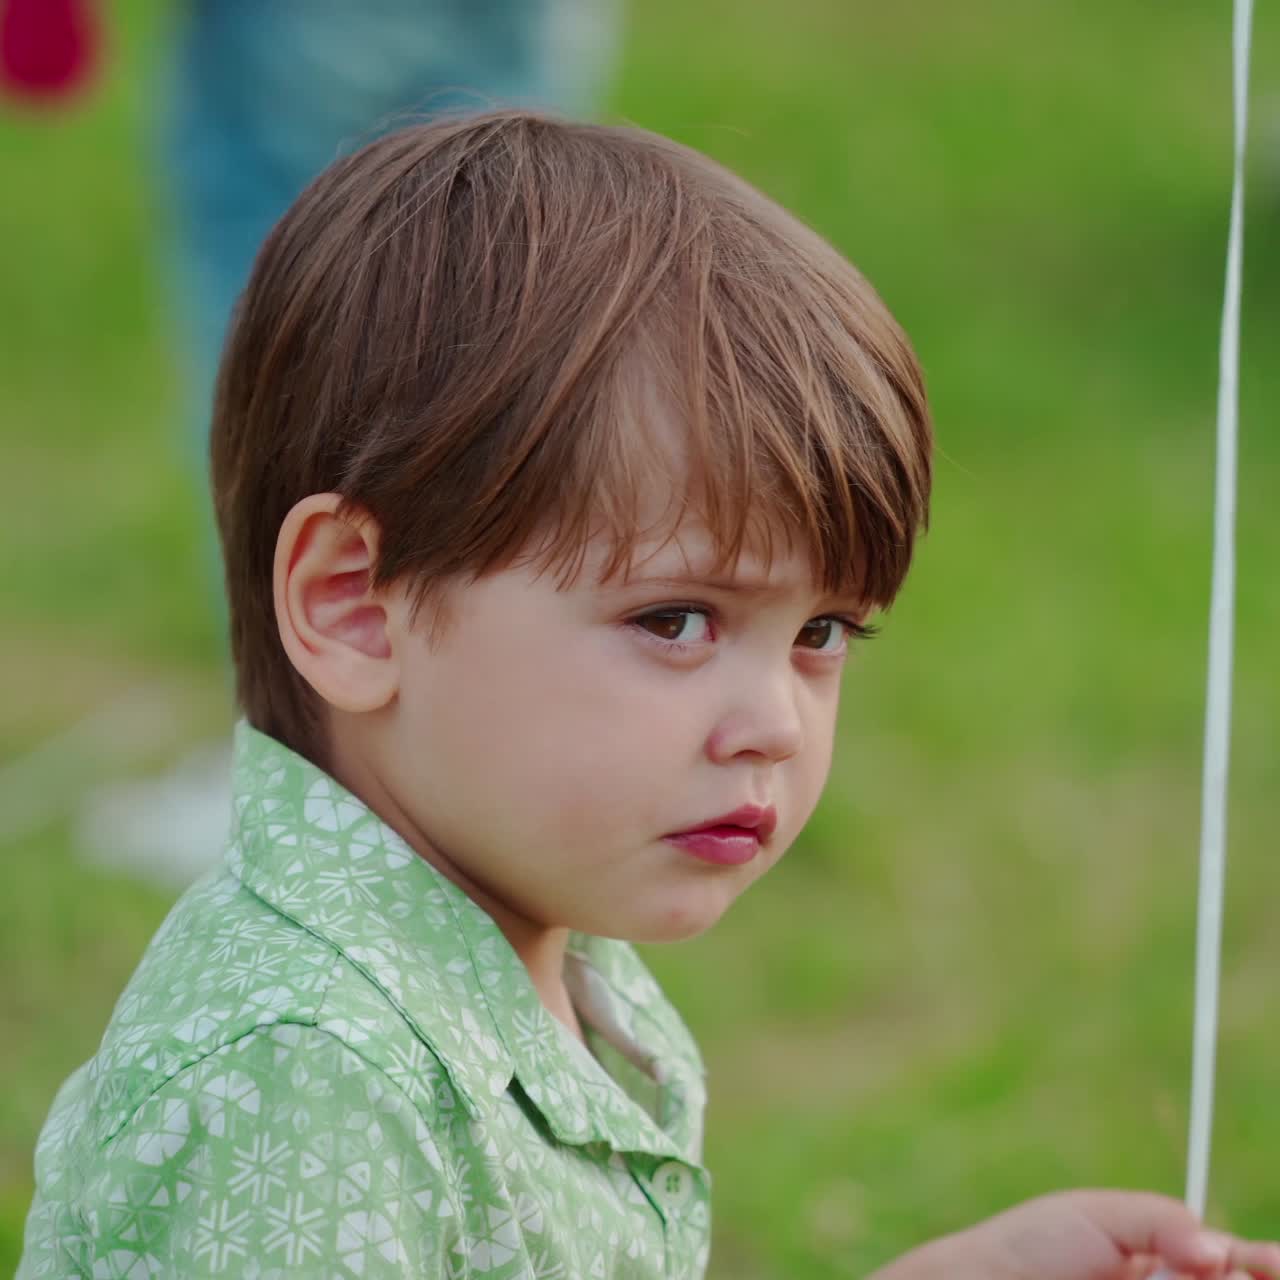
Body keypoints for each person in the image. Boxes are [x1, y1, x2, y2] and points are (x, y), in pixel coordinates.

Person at [17, 111, 1280, 1279]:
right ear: (357, 604)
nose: (775, 721)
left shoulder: (530, 953)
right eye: (674, 619)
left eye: (822, 632)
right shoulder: (304, 1079)